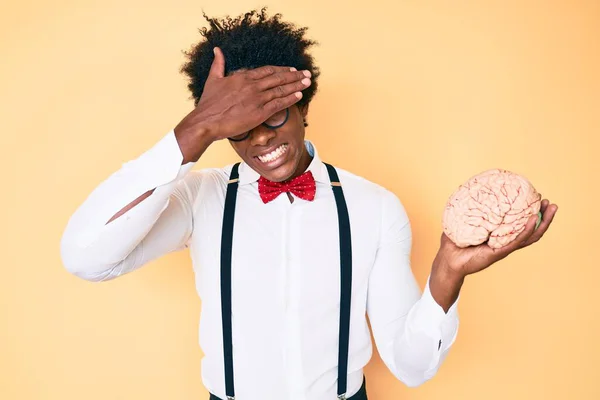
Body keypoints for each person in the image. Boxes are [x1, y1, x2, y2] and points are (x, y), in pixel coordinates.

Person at [60, 8, 558, 400]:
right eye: (236, 129)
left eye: (274, 117)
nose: (259, 141)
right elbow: (86, 258)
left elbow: (410, 366)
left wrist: (449, 272)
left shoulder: (375, 207)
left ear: (303, 106)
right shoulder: (199, 198)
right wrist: (195, 130)